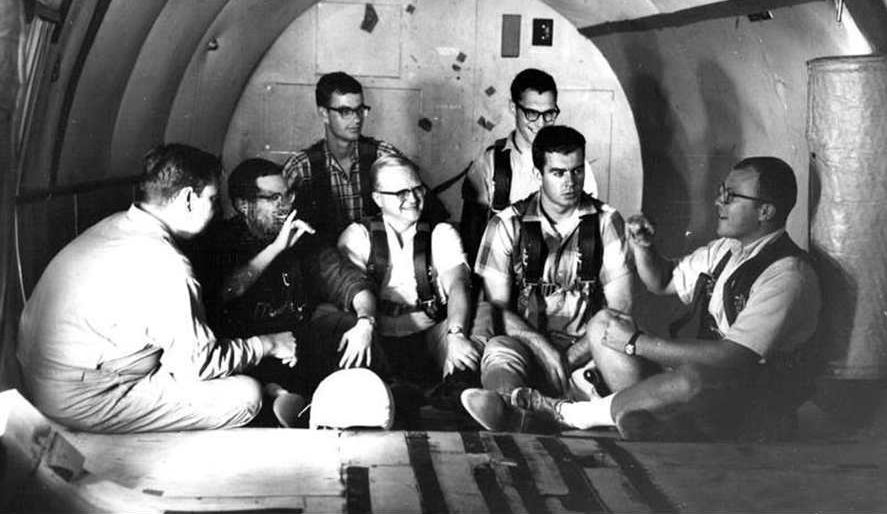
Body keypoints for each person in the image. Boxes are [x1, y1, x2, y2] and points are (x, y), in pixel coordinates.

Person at [506, 156, 822, 441]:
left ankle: (571, 414)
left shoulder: (787, 275)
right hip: (708, 384)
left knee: (690, 378)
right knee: (604, 323)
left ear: (765, 211)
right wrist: (643, 246)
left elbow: (733, 358)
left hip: (752, 396)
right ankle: (648, 416)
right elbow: (664, 280)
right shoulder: (727, 250)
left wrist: (636, 344)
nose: (718, 202)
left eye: (731, 196)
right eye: (721, 191)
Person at [17, 144, 297, 433]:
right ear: (188, 198)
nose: (216, 210)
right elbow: (198, 367)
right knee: (246, 395)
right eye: (212, 199)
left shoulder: (115, 225)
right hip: (82, 396)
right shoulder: (168, 263)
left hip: (44, 375)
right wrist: (268, 344)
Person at [459, 125, 634, 432]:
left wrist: (571, 356)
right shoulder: (506, 225)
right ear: (538, 175)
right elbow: (497, 307)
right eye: (558, 173)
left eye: (577, 171)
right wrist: (543, 347)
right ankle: (509, 406)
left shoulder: (607, 221)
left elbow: (620, 309)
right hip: (528, 342)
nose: (571, 182)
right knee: (498, 350)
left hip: (589, 346)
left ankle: (552, 408)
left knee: (615, 361)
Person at [190, 158, 383, 425]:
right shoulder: (221, 241)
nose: (286, 206)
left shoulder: (301, 237)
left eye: (288, 196)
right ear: (243, 205)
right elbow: (227, 290)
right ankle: (284, 401)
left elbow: (348, 281)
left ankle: (366, 398)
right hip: (250, 354)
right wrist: (276, 248)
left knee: (350, 327)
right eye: (274, 198)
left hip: (298, 346)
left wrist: (365, 322)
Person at [337, 154, 491, 416]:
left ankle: (459, 390)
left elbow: (458, 286)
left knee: (483, 312)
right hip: (379, 337)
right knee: (333, 319)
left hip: (430, 334)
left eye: (417, 188)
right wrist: (364, 325)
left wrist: (456, 335)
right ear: (377, 199)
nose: (413, 198)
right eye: (400, 192)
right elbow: (353, 291)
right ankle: (386, 392)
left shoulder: (441, 233)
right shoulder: (358, 236)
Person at [283, 71, 446, 244]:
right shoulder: (300, 167)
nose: (356, 119)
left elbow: (429, 210)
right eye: (346, 111)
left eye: (360, 110)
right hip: (323, 265)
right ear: (324, 114)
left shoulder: (383, 156)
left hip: (379, 262)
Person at [459, 68, 599, 264]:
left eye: (549, 113)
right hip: (504, 277)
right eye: (532, 113)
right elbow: (471, 235)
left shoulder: (575, 165)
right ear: (513, 108)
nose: (541, 123)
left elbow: (589, 227)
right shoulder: (489, 164)